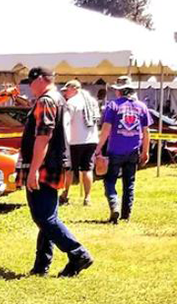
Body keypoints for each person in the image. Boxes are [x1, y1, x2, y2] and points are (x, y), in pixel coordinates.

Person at [20, 67, 94, 278]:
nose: (30, 86)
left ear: (41, 80)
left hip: (44, 165)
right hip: (52, 163)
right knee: (47, 216)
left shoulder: (46, 100)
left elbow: (44, 136)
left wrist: (34, 168)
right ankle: (41, 264)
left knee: (44, 218)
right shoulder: (58, 98)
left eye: (31, 82)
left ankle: (78, 254)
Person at [95, 76, 150, 224]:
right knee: (129, 183)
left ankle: (114, 205)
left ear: (120, 91)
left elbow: (106, 129)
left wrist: (98, 148)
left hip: (115, 150)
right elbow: (146, 132)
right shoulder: (141, 107)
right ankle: (126, 215)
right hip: (133, 151)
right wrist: (145, 151)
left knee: (109, 180)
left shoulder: (113, 106)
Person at [59, 80, 99, 206]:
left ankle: (66, 194)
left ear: (75, 88)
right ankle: (87, 197)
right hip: (91, 139)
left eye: (67, 90)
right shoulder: (91, 101)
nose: (65, 93)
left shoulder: (72, 102)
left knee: (69, 168)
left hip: (75, 140)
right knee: (87, 169)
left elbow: (65, 121)